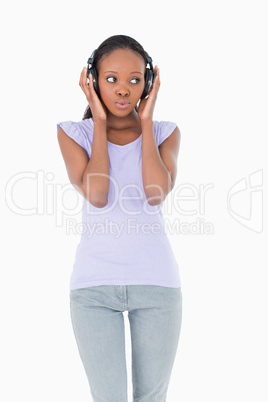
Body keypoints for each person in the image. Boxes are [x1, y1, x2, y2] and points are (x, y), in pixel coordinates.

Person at [57, 34, 183, 402]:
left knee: (151, 398)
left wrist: (146, 123)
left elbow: (155, 193)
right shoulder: (73, 133)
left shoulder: (164, 133)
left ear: (148, 83)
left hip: (157, 286)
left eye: (134, 79)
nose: (123, 89)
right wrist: (99, 119)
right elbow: (97, 195)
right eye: (111, 79)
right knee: (107, 397)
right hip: (93, 289)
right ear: (93, 80)